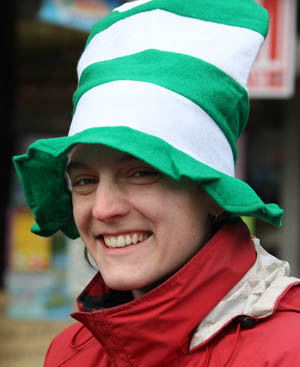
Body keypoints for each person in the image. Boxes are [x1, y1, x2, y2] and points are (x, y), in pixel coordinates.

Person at [13, 0, 300, 366]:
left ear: (211, 193)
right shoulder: (70, 353)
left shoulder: (288, 350)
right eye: (84, 180)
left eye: (141, 173)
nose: (102, 208)